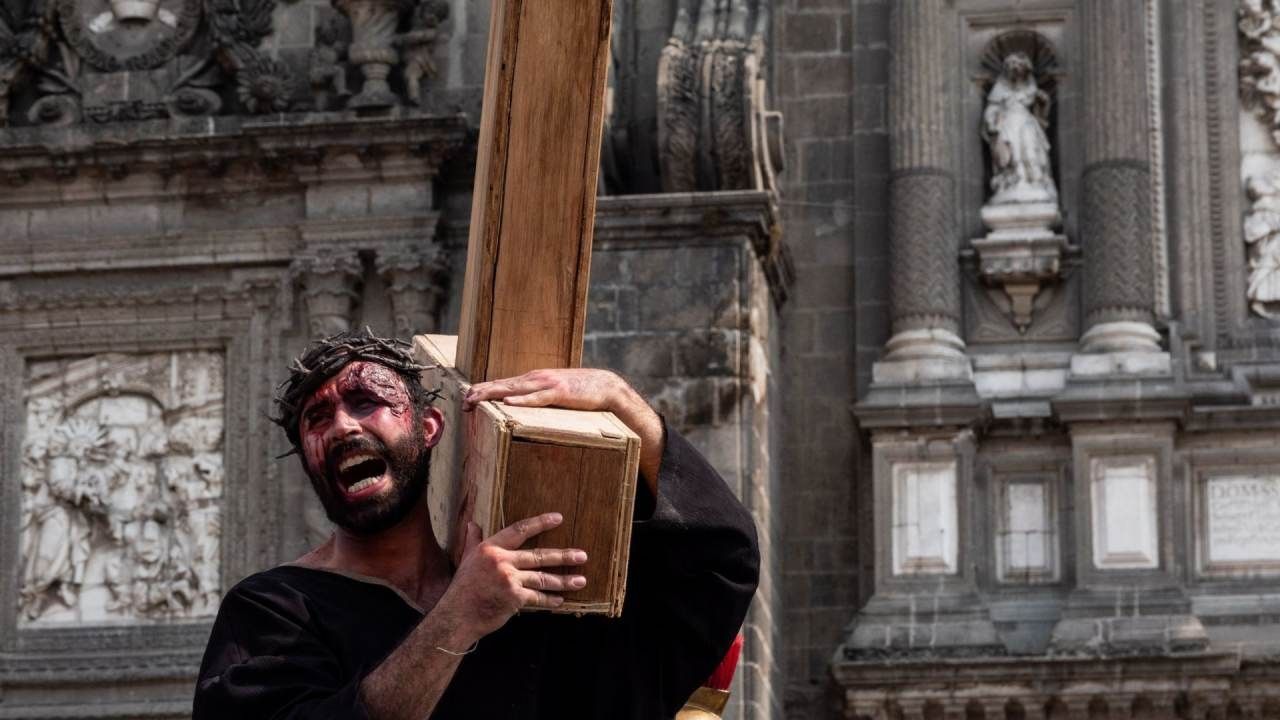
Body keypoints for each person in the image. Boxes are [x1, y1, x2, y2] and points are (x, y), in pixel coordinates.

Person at [192, 329, 759, 719]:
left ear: (429, 426)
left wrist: (623, 402)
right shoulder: (272, 614)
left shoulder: (538, 604)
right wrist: (459, 618)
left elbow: (714, 568)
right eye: (317, 419)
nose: (341, 426)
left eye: (366, 401)